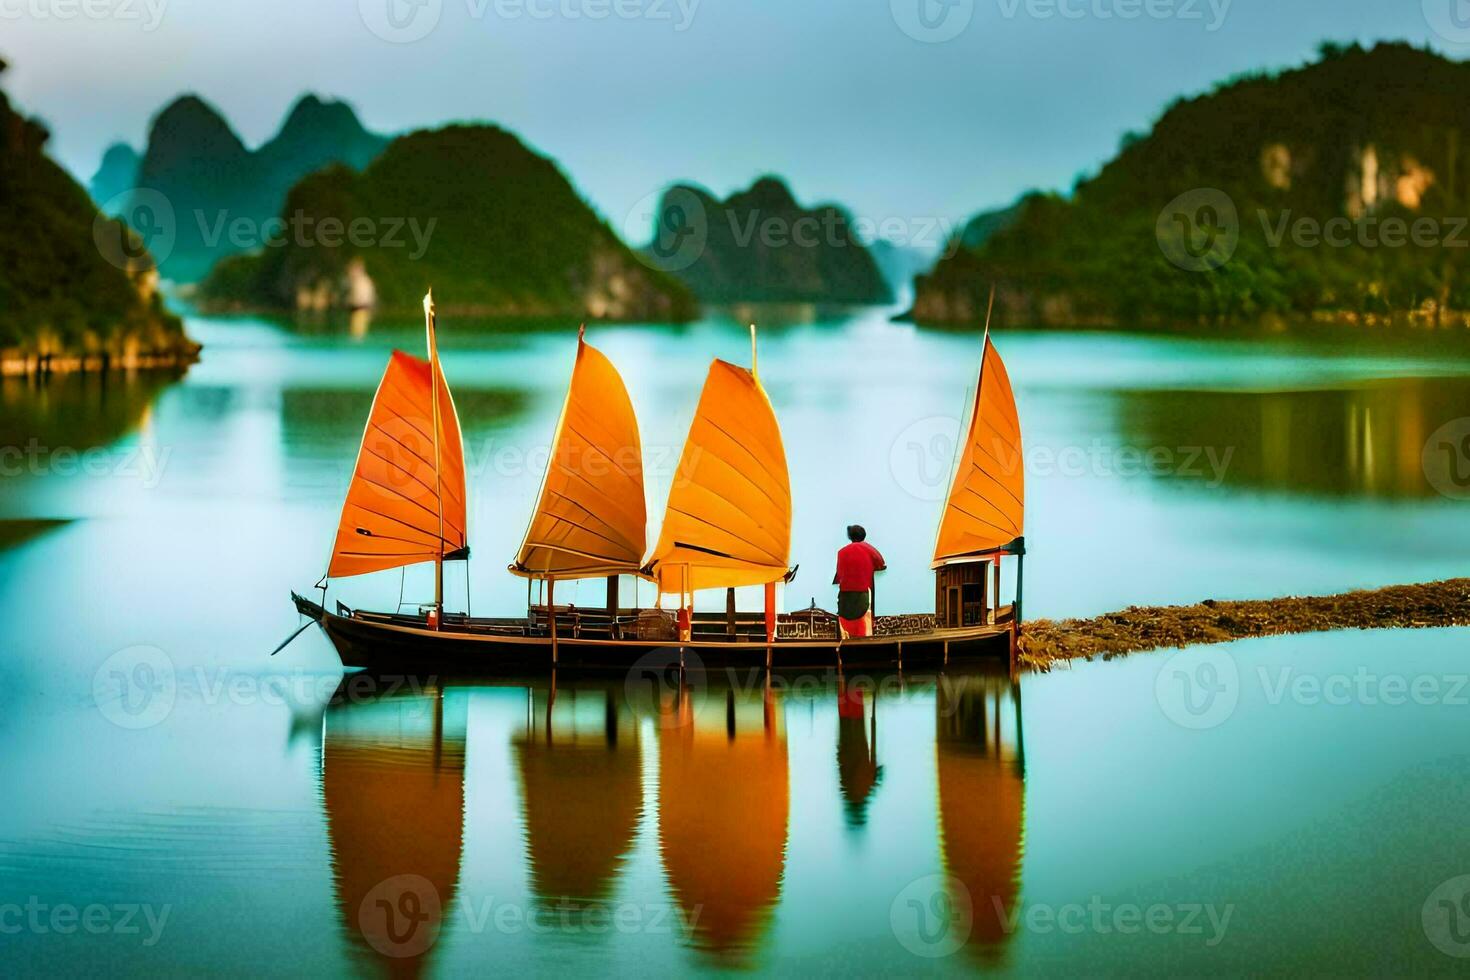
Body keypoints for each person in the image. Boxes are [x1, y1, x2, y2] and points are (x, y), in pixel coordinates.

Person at [833, 525, 886, 639]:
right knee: (864, 623)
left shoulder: (841, 552)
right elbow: (881, 563)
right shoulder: (868, 548)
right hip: (863, 589)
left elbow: (839, 573)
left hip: (845, 591)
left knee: (846, 622)